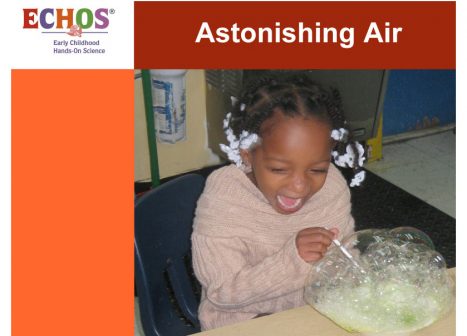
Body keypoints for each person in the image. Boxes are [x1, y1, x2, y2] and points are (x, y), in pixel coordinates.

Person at [191, 73, 366, 330]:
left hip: (313, 315)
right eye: (279, 170)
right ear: (248, 156)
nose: (299, 186)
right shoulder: (224, 198)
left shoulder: (332, 186)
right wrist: (292, 260)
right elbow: (222, 295)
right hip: (242, 323)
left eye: (317, 169)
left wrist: (357, 279)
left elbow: (346, 256)